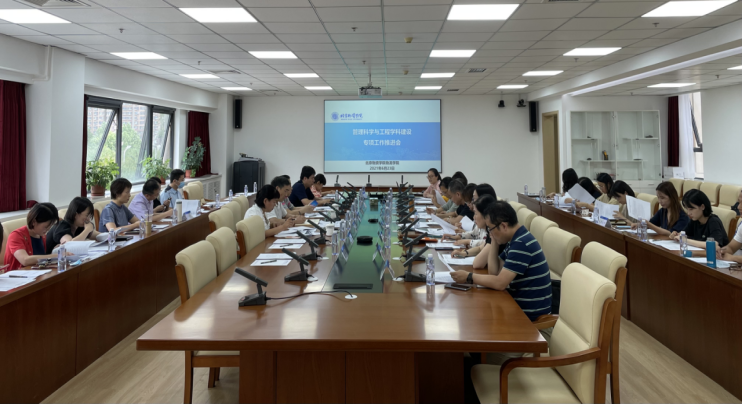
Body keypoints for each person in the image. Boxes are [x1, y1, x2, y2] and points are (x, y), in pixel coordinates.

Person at [450, 200, 552, 361]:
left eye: (490, 229)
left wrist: (469, 277)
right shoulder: (516, 239)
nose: (489, 232)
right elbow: (494, 271)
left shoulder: (522, 244)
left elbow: (500, 283)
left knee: (473, 331)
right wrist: (494, 241)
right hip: (517, 314)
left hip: (529, 325)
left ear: (503, 226)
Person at [4, 203, 68, 271]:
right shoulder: (16, 235)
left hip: (36, 273)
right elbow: (25, 260)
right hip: (17, 275)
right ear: (34, 222)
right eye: (46, 227)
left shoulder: (41, 236)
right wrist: (57, 255)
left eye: (50, 226)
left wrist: (54, 251)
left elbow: (40, 258)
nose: (48, 229)